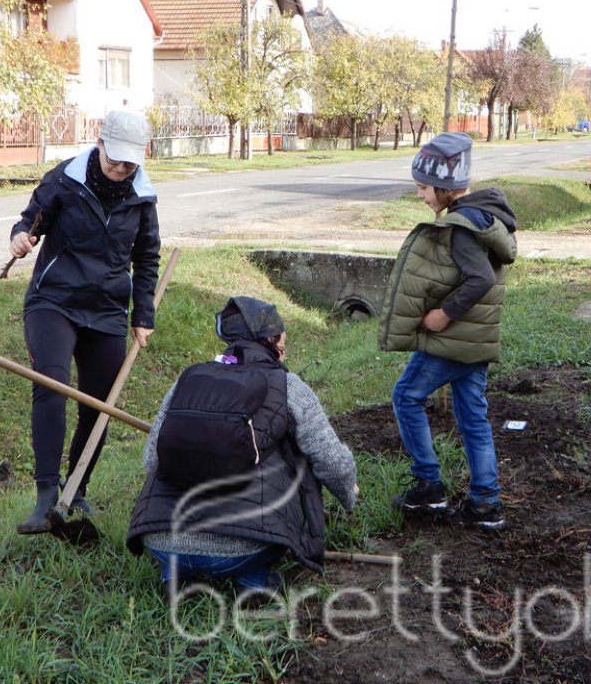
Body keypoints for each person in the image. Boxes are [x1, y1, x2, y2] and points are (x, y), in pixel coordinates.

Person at [126, 296, 357, 599]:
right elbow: (330, 460)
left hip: (161, 538)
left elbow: (151, 460)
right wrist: (349, 494)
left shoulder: (188, 380)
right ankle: (253, 581)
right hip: (245, 545)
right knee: (294, 452)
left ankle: (175, 574)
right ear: (273, 341)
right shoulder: (289, 386)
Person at [10, 110, 161, 534]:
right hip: (53, 300)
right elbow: (29, 220)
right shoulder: (65, 179)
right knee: (51, 385)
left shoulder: (143, 196)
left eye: (130, 162)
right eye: (115, 159)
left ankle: (76, 490)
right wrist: (20, 237)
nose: (121, 169)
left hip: (107, 309)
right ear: (100, 144)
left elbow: (147, 257)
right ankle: (44, 498)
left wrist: (142, 316)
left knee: (99, 406)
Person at [378, 132, 516, 529]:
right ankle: (485, 504)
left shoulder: (460, 227)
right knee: (473, 417)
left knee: (406, 396)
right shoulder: (484, 217)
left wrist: (443, 315)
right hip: (475, 340)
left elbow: (479, 280)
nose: (420, 196)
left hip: (452, 341)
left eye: (422, 188)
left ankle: (429, 486)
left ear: (443, 187)